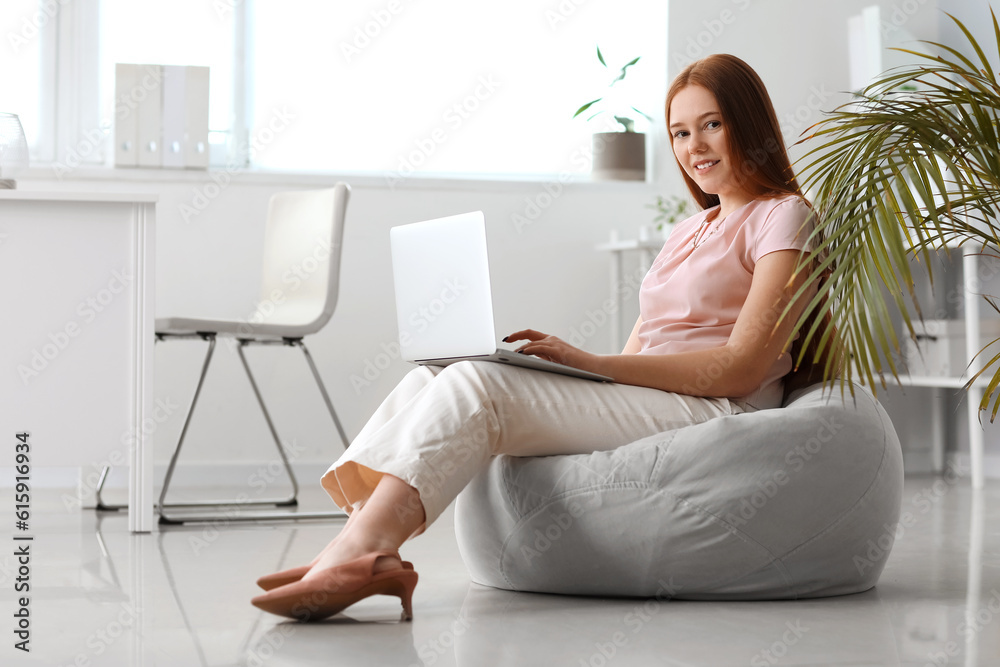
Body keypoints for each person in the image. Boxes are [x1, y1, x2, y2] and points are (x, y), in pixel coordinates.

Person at [250, 53, 835, 622]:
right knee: (435, 375)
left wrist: (592, 363)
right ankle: (356, 543)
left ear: (749, 125)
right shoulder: (688, 230)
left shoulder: (784, 215)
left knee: (480, 386)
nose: (694, 147)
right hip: (658, 400)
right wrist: (580, 375)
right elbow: (643, 349)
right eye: (680, 133)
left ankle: (361, 556)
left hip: (713, 405)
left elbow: (742, 366)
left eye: (712, 124)